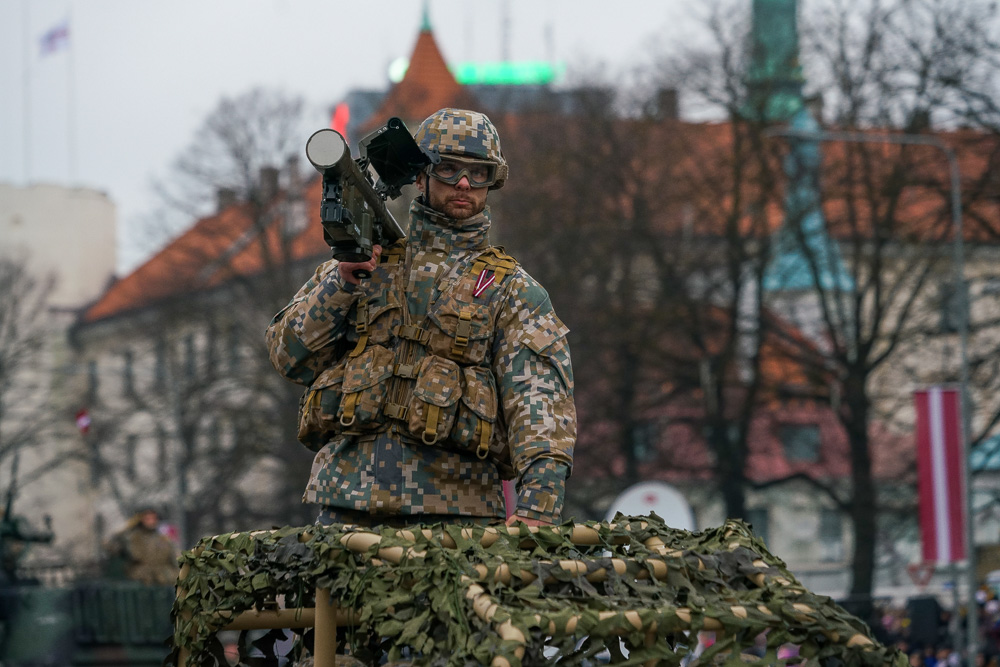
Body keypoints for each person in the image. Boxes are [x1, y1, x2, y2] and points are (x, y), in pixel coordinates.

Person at [267, 108, 575, 528]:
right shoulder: (360, 265)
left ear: (492, 183)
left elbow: (541, 406)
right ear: (420, 176)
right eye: (448, 169)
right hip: (345, 509)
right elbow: (288, 356)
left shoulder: (511, 290)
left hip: (456, 520)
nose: (464, 183)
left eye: (478, 173)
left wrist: (538, 509)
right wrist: (339, 285)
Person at [104, 507, 178, 585]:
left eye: (153, 518)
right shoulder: (132, 537)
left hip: (163, 582)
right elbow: (109, 544)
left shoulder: (163, 539)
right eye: (147, 518)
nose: (151, 521)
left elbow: (174, 559)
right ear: (140, 519)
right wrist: (127, 527)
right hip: (139, 582)